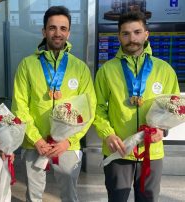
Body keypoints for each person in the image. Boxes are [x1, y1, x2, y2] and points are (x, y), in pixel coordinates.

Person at [11, 5, 97, 202]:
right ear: (44, 31)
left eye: (63, 28)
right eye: (52, 28)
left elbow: (89, 107)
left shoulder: (80, 68)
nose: (57, 33)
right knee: (33, 195)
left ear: (68, 32)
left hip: (67, 144)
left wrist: (68, 141)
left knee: (69, 194)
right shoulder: (27, 65)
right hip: (35, 144)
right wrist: (37, 140)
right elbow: (20, 106)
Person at [93, 11, 180, 202]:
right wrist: (107, 133)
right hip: (119, 149)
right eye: (126, 33)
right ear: (119, 37)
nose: (132, 38)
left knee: (148, 199)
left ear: (146, 34)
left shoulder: (164, 70)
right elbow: (97, 109)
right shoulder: (107, 71)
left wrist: (163, 130)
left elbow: (174, 108)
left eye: (137, 32)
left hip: (152, 150)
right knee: (117, 198)